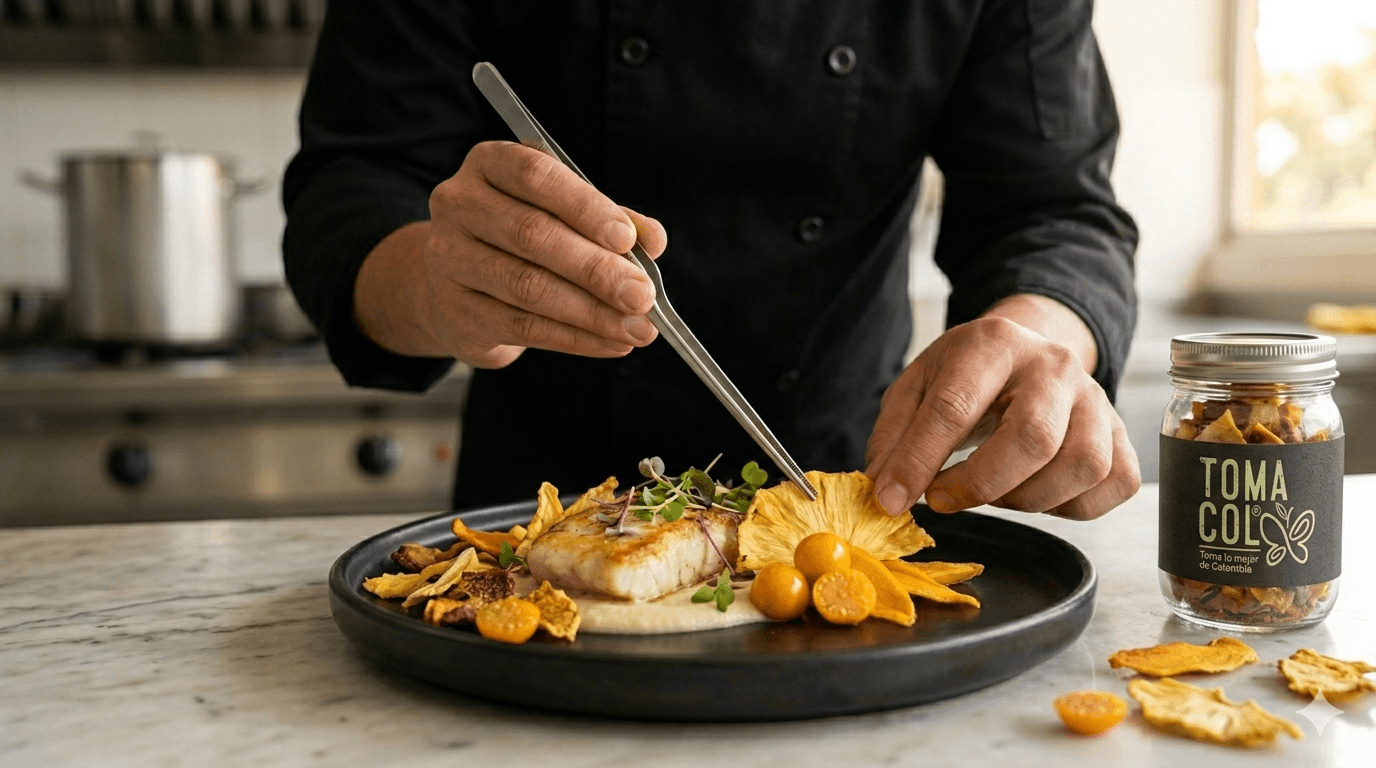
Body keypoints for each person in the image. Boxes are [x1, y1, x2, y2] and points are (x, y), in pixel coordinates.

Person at [283, 1, 1141, 520]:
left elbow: (1053, 206)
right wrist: (436, 284)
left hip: (840, 486)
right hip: (535, 518)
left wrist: (1033, 331)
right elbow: (350, 187)